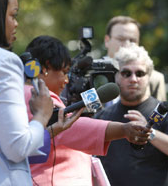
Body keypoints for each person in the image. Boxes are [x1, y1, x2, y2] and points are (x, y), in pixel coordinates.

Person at [24, 35, 151, 186]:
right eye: (64, 72)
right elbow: (68, 127)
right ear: (45, 67)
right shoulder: (35, 95)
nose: (66, 81)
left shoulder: (23, 93)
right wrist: (123, 129)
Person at [0, 0, 54, 185]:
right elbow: (17, 147)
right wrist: (41, 116)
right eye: (13, 15)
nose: (16, 24)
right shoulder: (3, 62)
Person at [95, 43, 168, 186]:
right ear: (116, 76)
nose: (133, 79)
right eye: (126, 73)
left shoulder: (164, 112)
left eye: (140, 73)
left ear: (148, 76)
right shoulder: (102, 116)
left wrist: (151, 133)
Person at [104, 15, 167, 102]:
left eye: (132, 40)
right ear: (107, 41)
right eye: (121, 39)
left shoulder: (155, 78)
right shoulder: (89, 75)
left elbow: (160, 113)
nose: (127, 44)